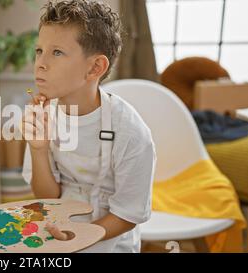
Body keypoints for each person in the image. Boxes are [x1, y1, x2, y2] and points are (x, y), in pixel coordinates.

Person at [20, 0, 157, 252]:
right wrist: (38, 149)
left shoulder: (131, 133)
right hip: (57, 228)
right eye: (39, 51)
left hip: (109, 240)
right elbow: (47, 197)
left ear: (95, 67)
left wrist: (80, 235)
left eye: (57, 52)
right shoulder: (44, 115)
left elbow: (127, 214)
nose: (40, 63)